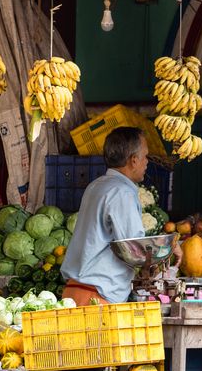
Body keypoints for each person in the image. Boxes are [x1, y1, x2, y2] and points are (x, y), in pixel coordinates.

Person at [60, 126, 148, 305]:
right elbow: (134, 248)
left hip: (74, 291)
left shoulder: (97, 185)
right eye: (145, 156)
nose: (147, 162)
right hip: (97, 297)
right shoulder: (121, 192)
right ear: (133, 160)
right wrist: (166, 252)